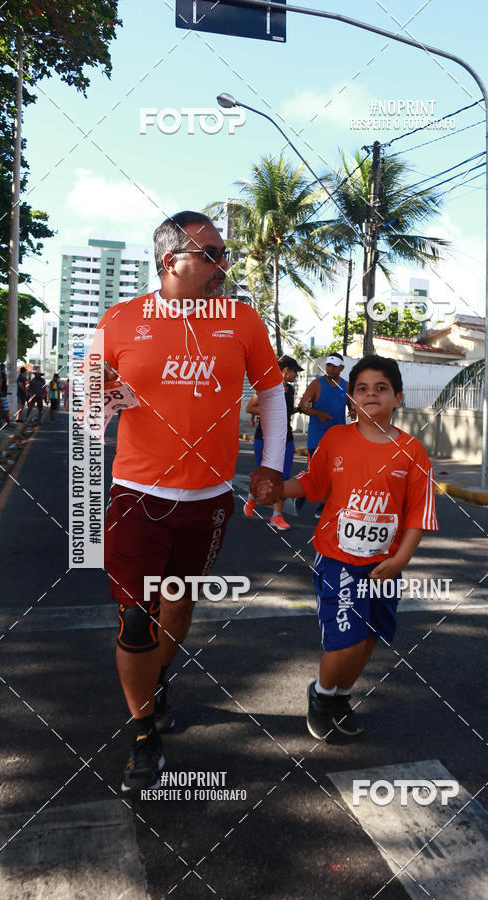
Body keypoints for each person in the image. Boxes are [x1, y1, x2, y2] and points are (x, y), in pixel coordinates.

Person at [95, 210, 287, 794]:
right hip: (135, 496)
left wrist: (271, 468)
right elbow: (85, 405)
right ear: (170, 260)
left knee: (176, 606)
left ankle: (159, 679)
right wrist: (100, 398)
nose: (223, 264)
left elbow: (273, 393)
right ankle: (144, 732)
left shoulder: (243, 321)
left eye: (223, 254)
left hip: (207, 502)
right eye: (212, 254)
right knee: (135, 613)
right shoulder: (120, 321)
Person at [257, 355, 438, 739]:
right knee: (346, 639)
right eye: (362, 389)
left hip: (385, 567)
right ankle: (322, 695)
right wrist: (277, 489)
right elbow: (312, 484)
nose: (371, 394)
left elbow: (417, 516)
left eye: (381, 388)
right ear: (352, 400)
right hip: (338, 560)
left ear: (398, 397)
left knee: (369, 636)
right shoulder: (338, 439)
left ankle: (340, 695)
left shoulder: (413, 452)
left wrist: (400, 560)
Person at [243, 355, 303, 530]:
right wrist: (272, 408)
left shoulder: (290, 390)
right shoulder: (267, 388)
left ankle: (276, 516)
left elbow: (287, 411)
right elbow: (250, 408)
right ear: (286, 370)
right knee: (265, 477)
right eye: (295, 372)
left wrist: (300, 409)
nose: (296, 376)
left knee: (283, 477)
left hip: (287, 439)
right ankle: (252, 498)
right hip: (265, 438)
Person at [297, 352, 353, 517]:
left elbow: (352, 403)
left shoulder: (346, 385)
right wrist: (317, 413)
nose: (330, 368)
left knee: (335, 473)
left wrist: (353, 411)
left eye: (334, 366)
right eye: (328, 365)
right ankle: (301, 492)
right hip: (317, 437)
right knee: (315, 473)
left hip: (338, 439)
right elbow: (302, 406)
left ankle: (323, 506)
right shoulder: (316, 384)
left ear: (341, 368)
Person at [0, 363, 11, 427]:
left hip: (2, 393)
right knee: (6, 409)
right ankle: (9, 423)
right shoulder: (2, 375)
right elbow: (0, 382)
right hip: (2, 394)